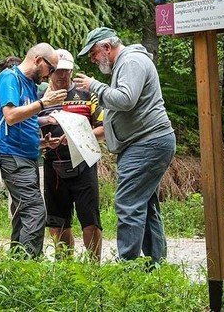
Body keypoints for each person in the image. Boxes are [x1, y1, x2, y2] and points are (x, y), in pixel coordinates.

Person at [73, 27, 176, 262]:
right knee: (146, 205)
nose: (92, 59)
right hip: (145, 143)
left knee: (128, 203)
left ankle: (127, 266)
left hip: (147, 143)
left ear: (107, 48)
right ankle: (156, 264)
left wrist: (95, 86)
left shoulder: (131, 61)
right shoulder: (126, 64)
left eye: (94, 53)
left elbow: (126, 100)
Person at [0, 43, 67, 258]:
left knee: (22, 212)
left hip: (29, 156)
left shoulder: (31, 85)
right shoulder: (9, 78)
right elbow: (11, 116)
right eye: (50, 69)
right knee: (35, 210)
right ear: (38, 61)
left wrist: (43, 143)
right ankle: (28, 264)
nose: (50, 75)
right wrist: (43, 103)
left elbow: (25, 123)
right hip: (11, 156)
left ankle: (16, 264)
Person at [38, 49, 105, 260]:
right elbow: (28, 127)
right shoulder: (40, 97)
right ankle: (65, 268)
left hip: (84, 163)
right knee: (57, 222)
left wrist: (77, 138)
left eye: (67, 71)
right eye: (58, 71)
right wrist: (42, 143)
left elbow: (103, 129)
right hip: (53, 166)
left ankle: (94, 268)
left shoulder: (87, 95)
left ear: (72, 70)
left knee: (91, 221)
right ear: (49, 72)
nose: (63, 76)